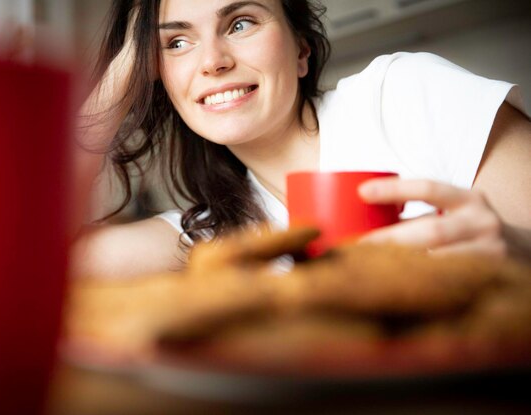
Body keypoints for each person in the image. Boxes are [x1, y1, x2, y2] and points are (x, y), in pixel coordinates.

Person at [70, 0, 531, 279]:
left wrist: (517, 250)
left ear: (301, 51)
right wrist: (119, 76)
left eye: (241, 23)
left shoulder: (406, 94)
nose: (212, 61)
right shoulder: (208, 237)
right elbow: (32, 267)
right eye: (175, 43)